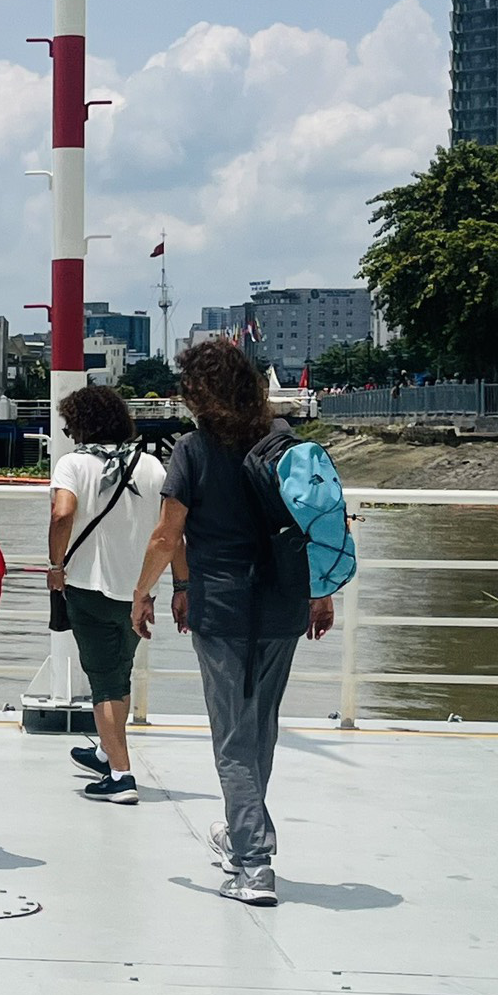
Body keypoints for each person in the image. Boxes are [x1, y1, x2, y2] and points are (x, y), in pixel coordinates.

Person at [131, 339, 336, 907]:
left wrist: (144, 592)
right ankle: (241, 831)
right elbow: (316, 522)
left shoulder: (193, 450)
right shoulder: (283, 442)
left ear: (198, 395)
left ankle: (253, 863)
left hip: (221, 608)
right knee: (259, 727)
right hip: (283, 603)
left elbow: (167, 536)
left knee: (232, 737)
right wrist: (321, 593)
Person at [45, 385, 166, 805]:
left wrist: (55, 565)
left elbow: (62, 513)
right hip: (139, 590)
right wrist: (178, 585)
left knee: (103, 682)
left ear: (80, 426)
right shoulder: (151, 465)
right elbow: (170, 532)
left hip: (89, 586)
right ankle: (105, 751)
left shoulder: (72, 464)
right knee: (119, 672)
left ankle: (120, 775)